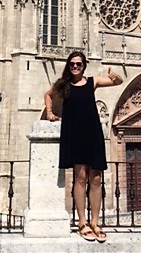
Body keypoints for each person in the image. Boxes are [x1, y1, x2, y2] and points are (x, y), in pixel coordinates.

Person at [44, 51, 123, 242]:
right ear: (68, 65)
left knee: (96, 178)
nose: (75, 67)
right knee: (80, 178)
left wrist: (115, 75)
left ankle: (95, 222)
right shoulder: (63, 84)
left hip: (92, 132)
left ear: (84, 66)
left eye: (78, 64)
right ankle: (82, 222)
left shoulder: (92, 82)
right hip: (75, 133)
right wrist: (49, 112)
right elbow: (48, 95)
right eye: (72, 64)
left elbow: (118, 82)